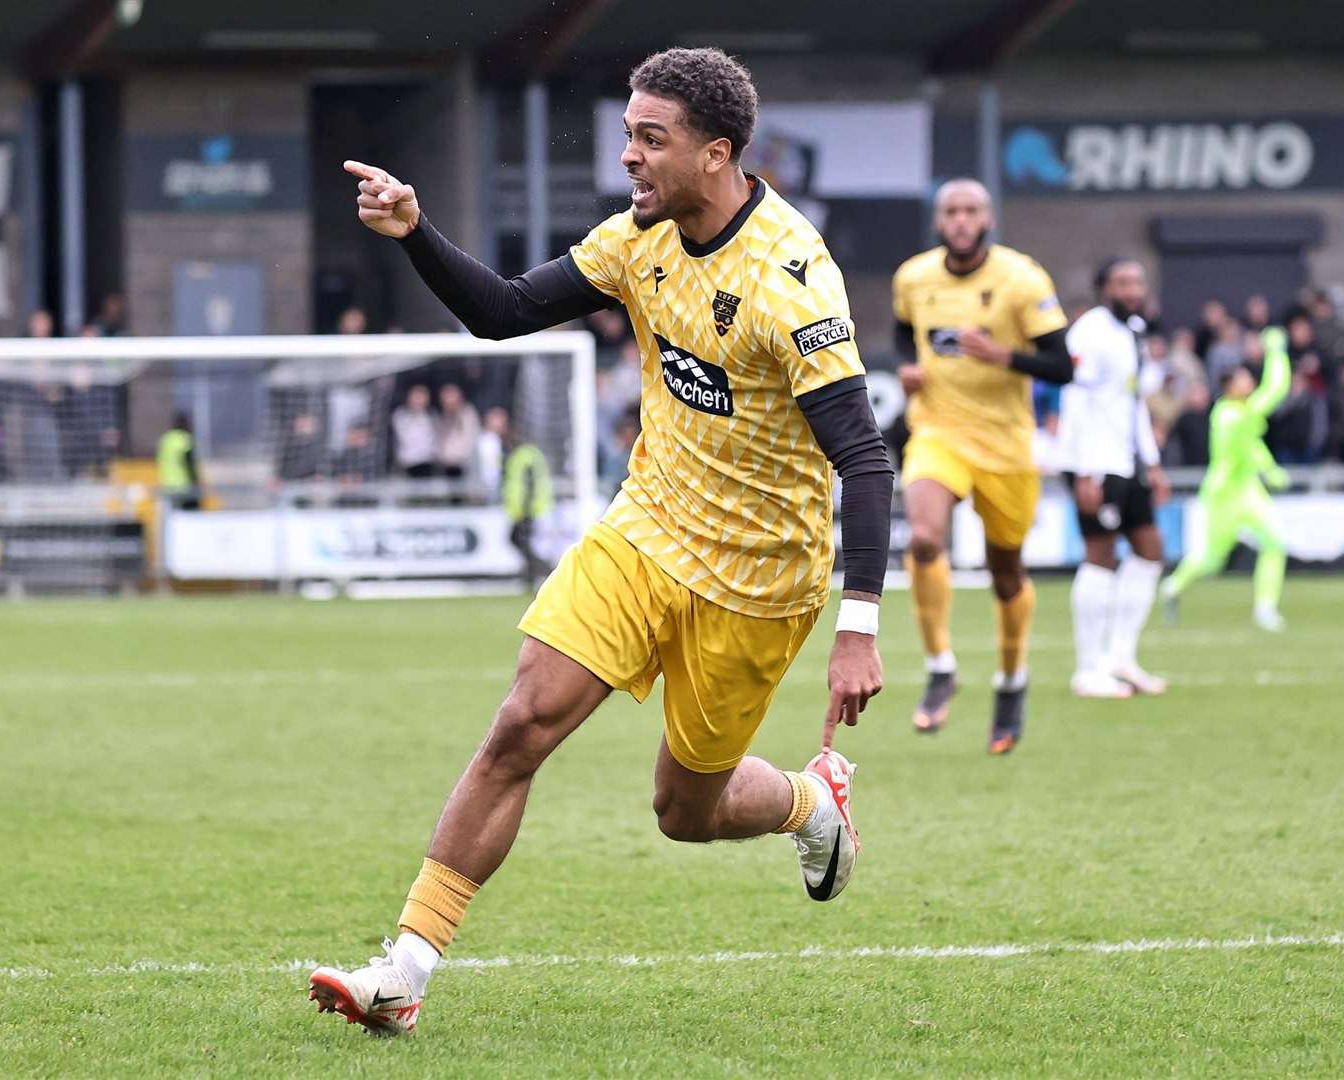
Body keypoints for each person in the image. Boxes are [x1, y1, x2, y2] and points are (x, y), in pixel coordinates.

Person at [310, 46, 894, 1037]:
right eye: (627, 133)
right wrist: (415, 232)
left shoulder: (795, 281)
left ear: (717, 154)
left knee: (686, 810)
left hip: (760, 580)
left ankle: (808, 803)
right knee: (523, 720)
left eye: (648, 139)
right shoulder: (638, 238)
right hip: (648, 527)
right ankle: (404, 972)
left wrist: (860, 626)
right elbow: (500, 313)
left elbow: (865, 459)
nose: (627, 157)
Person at [890, 178, 1072, 753]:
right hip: (938, 430)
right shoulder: (914, 278)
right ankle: (941, 665)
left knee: (1006, 572)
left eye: (971, 210)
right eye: (951, 211)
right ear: (939, 221)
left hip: (1006, 446)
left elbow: (1063, 366)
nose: (962, 220)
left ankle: (1012, 679)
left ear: (987, 218)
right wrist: (907, 369)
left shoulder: (1022, 279)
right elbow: (903, 334)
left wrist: (1004, 357)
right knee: (922, 538)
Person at [1055, 259, 1171, 699]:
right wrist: (1083, 470)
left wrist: (1153, 461)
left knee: (1150, 549)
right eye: (1123, 283)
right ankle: (1088, 670)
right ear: (1104, 288)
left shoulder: (1135, 330)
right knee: (1100, 554)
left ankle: (1121, 657)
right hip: (1095, 462)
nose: (1132, 290)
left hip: (1127, 460)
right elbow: (1076, 397)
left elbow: (1134, 401)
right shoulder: (1090, 332)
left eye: (1137, 282)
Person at [1161, 328, 1292, 632]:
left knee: (1274, 542)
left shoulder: (1240, 414)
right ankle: (1172, 586)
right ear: (1229, 386)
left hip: (1247, 488)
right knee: (1211, 561)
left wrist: (1269, 470)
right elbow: (1276, 389)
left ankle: (1265, 608)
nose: (1249, 382)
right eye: (1244, 379)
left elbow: (1251, 448)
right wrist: (1276, 352)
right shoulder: (1229, 416)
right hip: (1223, 493)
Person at [500, 415, 554, 588]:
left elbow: (530, 485)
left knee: (521, 540)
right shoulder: (525, 455)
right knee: (520, 541)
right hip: (525, 509)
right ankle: (535, 571)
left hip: (529, 510)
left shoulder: (526, 456)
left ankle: (540, 571)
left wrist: (526, 508)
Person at [155, 412, 202, 509]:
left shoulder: (165, 439)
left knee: (172, 516)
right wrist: (196, 482)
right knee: (189, 517)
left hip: (167, 485)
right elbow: (189, 464)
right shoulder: (184, 439)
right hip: (184, 487)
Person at [434, 382, 480, 480]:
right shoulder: (441, 418)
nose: (449, 403)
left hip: (466, 466)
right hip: (446, 467)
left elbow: (468, 444)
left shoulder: (468, 415)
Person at [391, 383, 437, 478]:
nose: (418, 401)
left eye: (421, 397)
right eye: (415, 397)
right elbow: (406, 440)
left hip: (427, 463)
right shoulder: (400, 415)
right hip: (406, 464)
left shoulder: (432, 416)